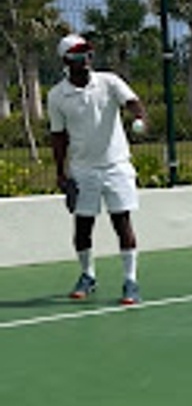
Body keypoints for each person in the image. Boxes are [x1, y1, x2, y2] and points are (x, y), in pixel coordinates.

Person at [48, 33, 148, 305]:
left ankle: (130, 281)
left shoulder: (109, 82)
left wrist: (139, 115)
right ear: (67, 60)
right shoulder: (57, 96)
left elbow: (132, 102)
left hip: (116, 166)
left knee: (122, 223)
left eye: (89, 54)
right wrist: (61, 172)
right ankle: (87, 275)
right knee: (83, 228)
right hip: (83, 171)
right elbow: (58, 137)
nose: (87, 60)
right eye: (80, 56)